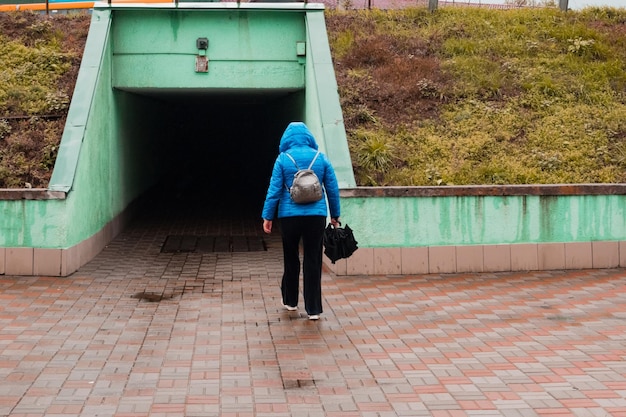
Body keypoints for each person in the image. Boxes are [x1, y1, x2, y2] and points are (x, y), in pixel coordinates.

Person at [262, 122, 341, 320]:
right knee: (313, 259)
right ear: (309, 138)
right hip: (316, 216)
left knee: (291, 257)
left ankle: (290, 301)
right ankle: (313, 309)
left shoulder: (283, 159)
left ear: (286, 139)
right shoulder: (320, 158)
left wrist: (267, 216)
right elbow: (332, 188)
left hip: (289, 216)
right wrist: (335, 215)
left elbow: (274, 191)